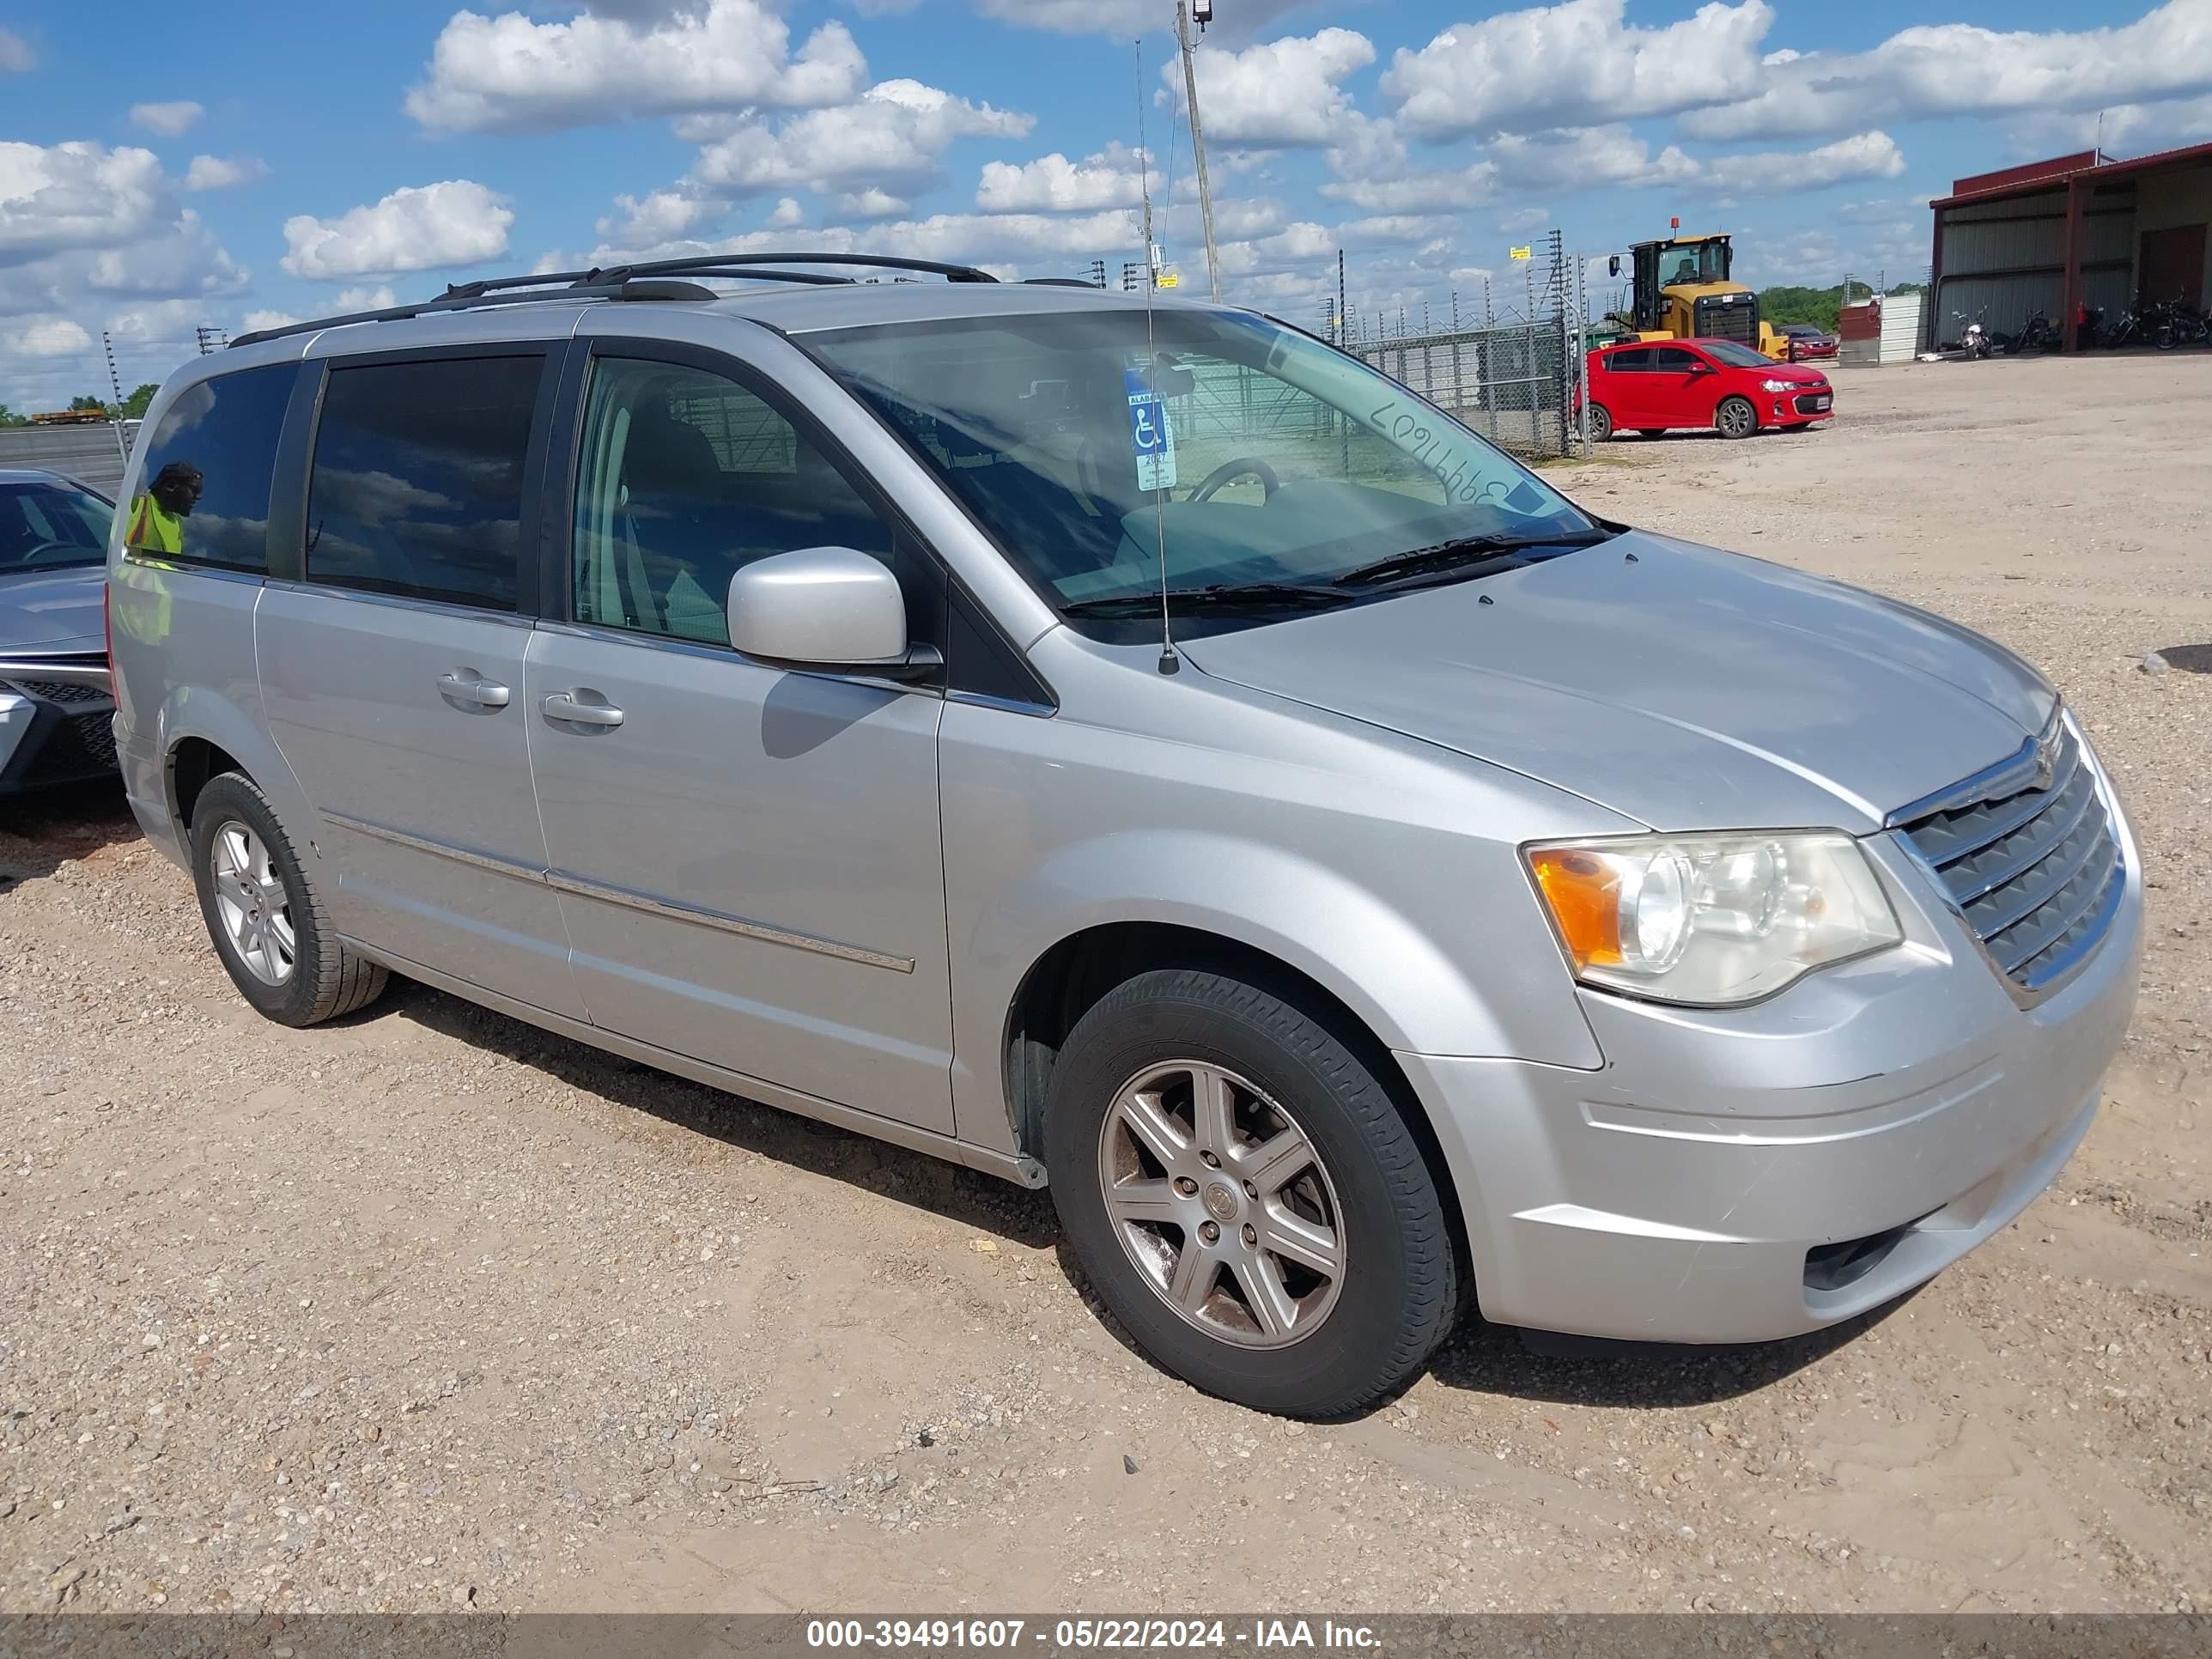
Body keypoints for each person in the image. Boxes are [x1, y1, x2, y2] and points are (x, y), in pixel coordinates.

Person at [125, 461, 203, 555]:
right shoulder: (136, 505)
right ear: (170, 486)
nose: (197, 498)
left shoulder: (177, 524)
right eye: (194, 490)